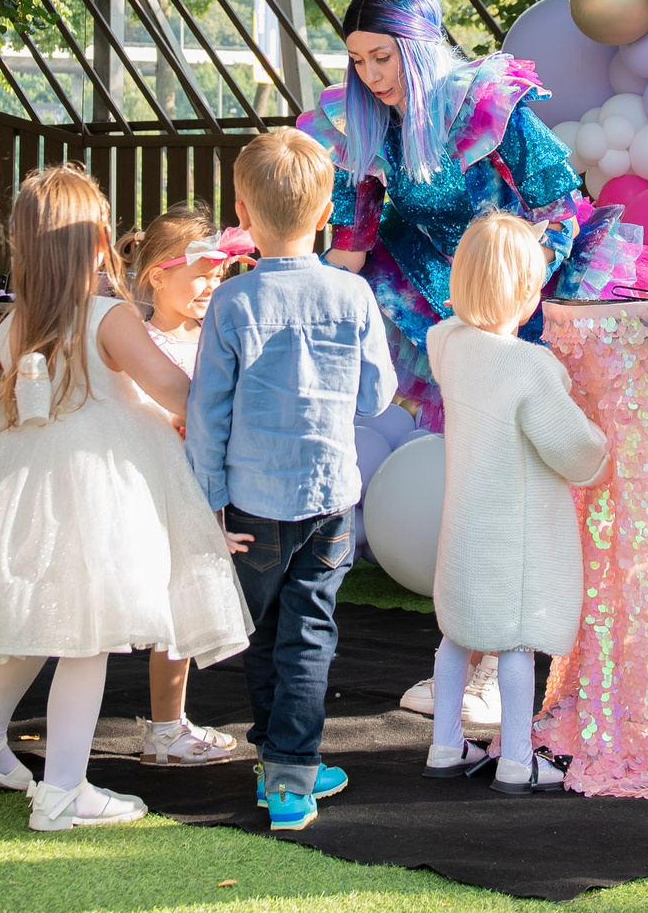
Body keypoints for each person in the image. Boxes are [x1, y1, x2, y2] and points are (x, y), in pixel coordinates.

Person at [0, 167, 252, 831]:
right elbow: (171, 389)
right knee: (83, 638)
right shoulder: (110, 314)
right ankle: (64, 789)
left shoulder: (13, 324)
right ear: (101, 240)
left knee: (34, 618)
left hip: (29, 487)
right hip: (101, 488)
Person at [303, 0, 644, 432]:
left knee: (560, 434)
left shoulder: (488, 104)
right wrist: (288, 288)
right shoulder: (361, 131)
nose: (370, 76)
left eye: (382, 58)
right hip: (447, 298)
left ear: (418, 49)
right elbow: (350, 252)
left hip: (536, 287)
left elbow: (560, 216)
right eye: (357, 61)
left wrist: (505, 297)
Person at [184, 127, 398, 832]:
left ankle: (276, 759)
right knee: (308, 630)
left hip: (249, 498)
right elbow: (375, 397)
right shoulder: (353, 293)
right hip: (330, 496)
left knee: (267, 625)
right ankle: (290, 771)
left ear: (241, 213)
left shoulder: (232, 303)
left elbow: (206, 413)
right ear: (328, 210)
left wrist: (208, 501)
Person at [423, 212, 611, 793]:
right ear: (529, 292)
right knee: (517, 639)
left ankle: (444, 744)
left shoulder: (446, 342)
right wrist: (604, 458)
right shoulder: (530, 368)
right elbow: (574, 449)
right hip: (518, 533)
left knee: (457, 632)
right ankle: (516, 758)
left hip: (465, 523)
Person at [118, 206, 256, 766]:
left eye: (218, 276)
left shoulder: (214, 339)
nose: (210, 286)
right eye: (200, 274)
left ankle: (169, 723)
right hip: (160, 492)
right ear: (157, 275)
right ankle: (165, 729)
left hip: (203, 488)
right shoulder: (139, 344)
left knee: (183, 611)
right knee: (172, 611)